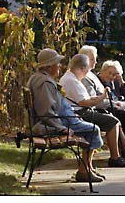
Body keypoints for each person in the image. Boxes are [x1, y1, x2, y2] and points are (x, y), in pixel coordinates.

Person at [26, 48, 104, 183]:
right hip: (58, 122)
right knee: (93, 130)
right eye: (57, 63)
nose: (60, 66)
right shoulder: (44, 83)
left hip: (63, 118)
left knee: (91, 127)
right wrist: (61, 129)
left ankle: (88, 168)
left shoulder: (40, 78)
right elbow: (46, 112)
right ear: (50, 67)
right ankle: (84, 171)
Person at [59, 53, 125, 167]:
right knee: (113, 122)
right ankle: (116, 157)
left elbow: (84, 99)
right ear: (81, 68)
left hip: (80, 110)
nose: (86, 73)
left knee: (116, 120)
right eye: (86, 70)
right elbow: (84, 102)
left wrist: (97, 98)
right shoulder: (72, 80)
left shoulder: (72, 78)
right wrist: (102, 96)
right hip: (79, 113)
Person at [78, 46, 125, 152]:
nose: (95, 61)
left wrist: (115, 101)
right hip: (98, 109)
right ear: (84, 59)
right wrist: (113, 104)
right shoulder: (86, 77)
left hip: (107, 105)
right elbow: (93, 100)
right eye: (92, 59)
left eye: (95, 58)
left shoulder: (91, 75)